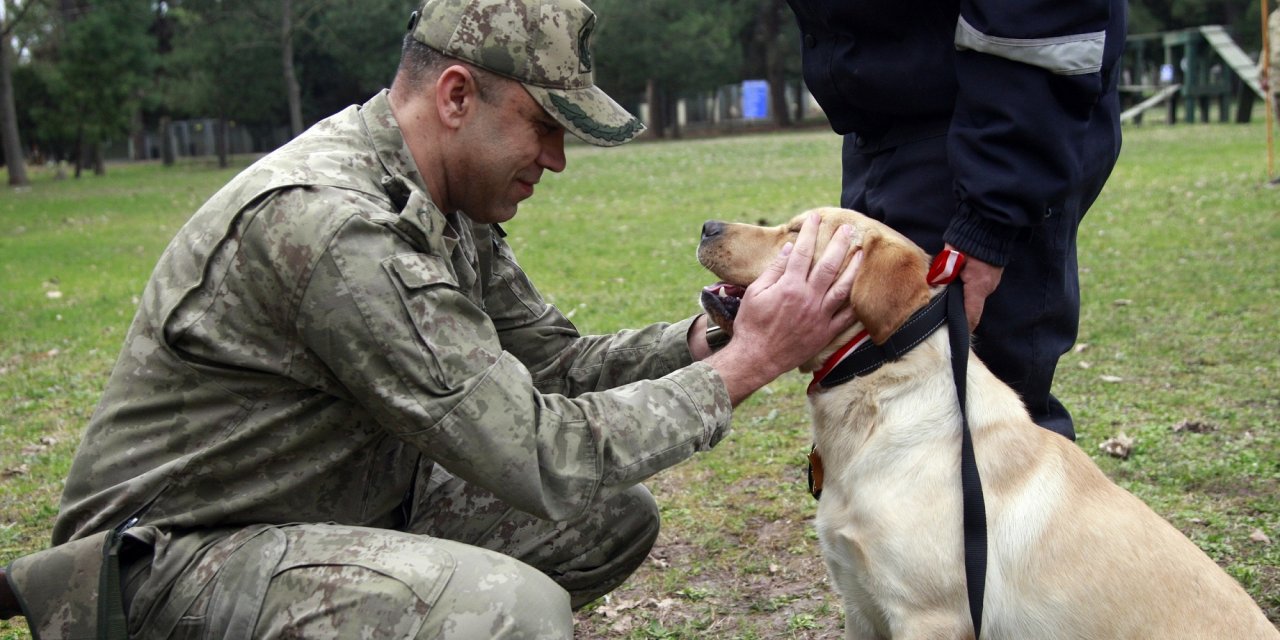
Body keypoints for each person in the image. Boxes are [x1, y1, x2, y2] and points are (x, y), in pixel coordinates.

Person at [1, 0, 861, 638]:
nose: (557, 161)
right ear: (456, 96)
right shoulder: (338, 227)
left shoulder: (444, 200)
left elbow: (552, 366)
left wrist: (707, 337)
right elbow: (540, 453)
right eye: (544, 126)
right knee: (511, 613)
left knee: (610, 519)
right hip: (163, 568)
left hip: (315, 511)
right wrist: (747, 365)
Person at [783, 0, 1127, 439]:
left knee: (975, 419)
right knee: (884, 392)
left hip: (986, 126)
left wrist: (990, 218)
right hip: (885, 124)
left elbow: (1041, 18)